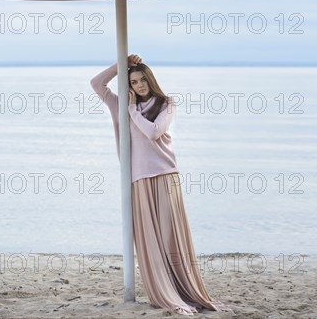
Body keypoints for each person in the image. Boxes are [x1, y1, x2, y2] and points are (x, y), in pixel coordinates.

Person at [90, 54, 234, 316]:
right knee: (150, 241)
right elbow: (96, 83)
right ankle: (162, 290)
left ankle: (182, 288)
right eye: (133, 81)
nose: (139, 85)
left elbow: (154, 132)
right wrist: (120, 64)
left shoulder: (166, 103)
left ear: (150, 80)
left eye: (143, 80)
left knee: (170, 236)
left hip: (166, 176)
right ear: (129, 85)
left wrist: (133, 110)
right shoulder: (119, 105)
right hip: (139, 180)